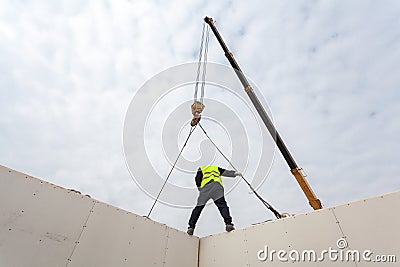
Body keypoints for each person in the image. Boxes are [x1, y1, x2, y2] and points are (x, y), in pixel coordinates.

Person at [187, 165, 242, 235]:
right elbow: (225, 172)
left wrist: (199, 188)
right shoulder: (215, 168)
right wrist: (235, 173)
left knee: (198, 208)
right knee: (222, 206)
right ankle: (228, 224)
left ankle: (191, 227)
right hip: (217, 187)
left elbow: (197, 178)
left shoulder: (202, 168)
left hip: (206, 188)